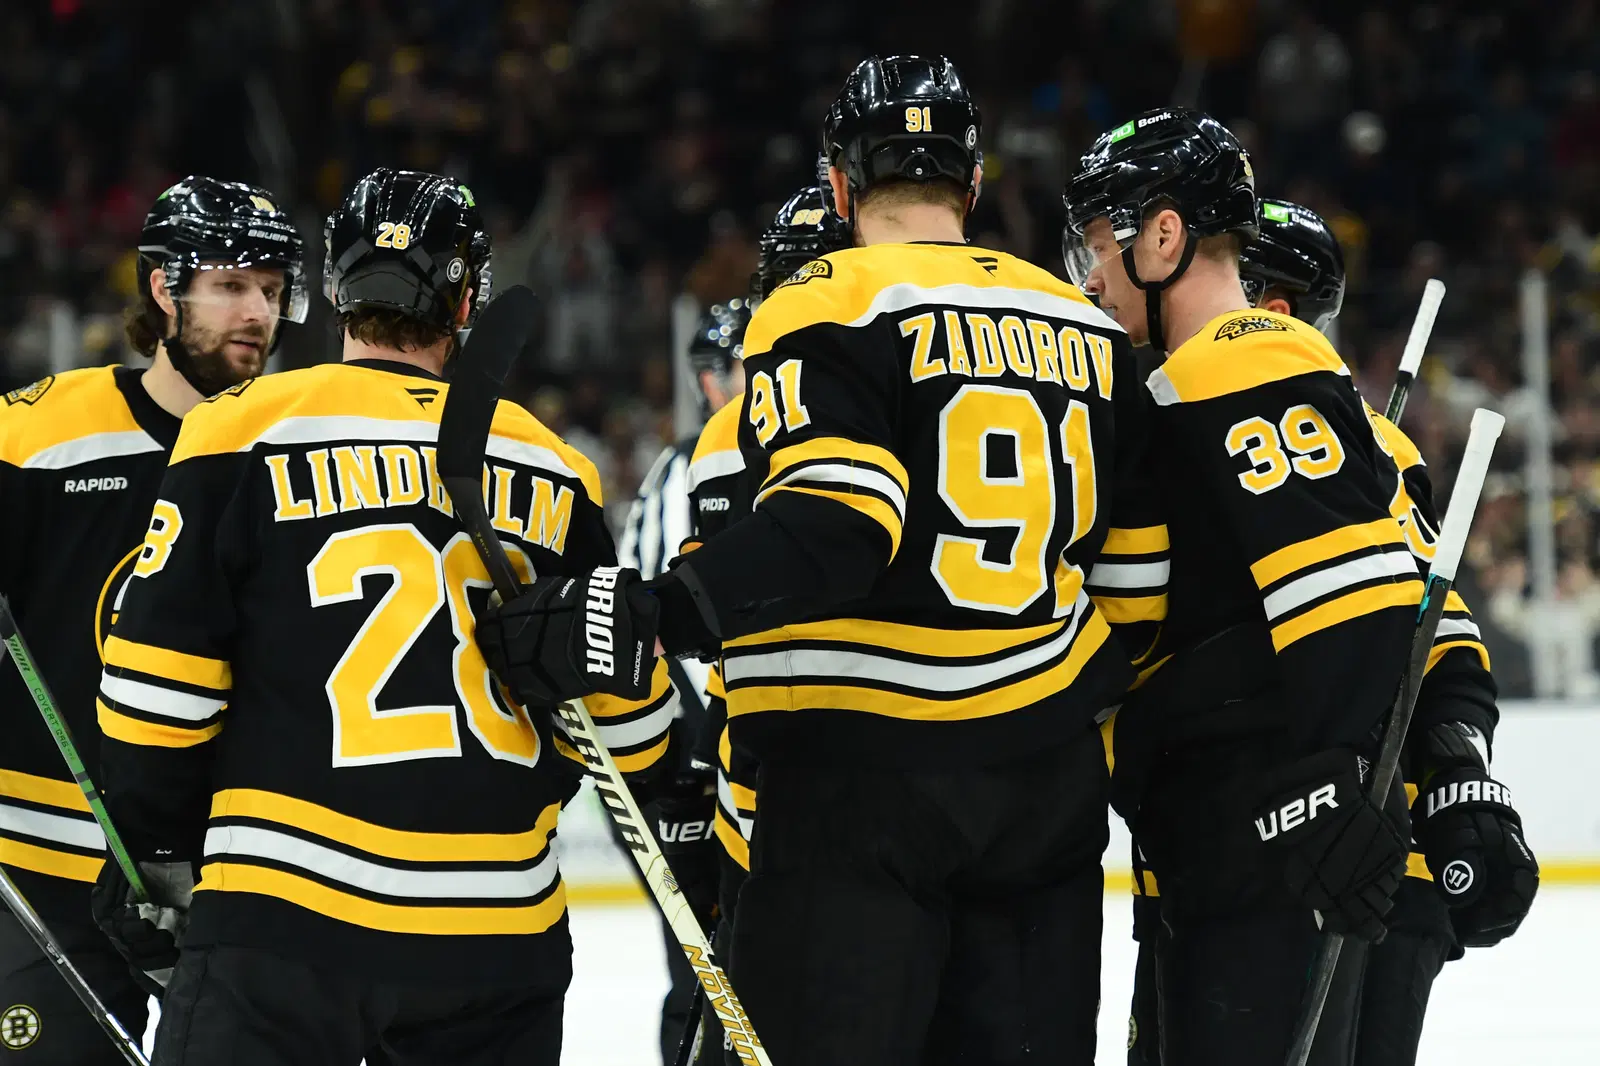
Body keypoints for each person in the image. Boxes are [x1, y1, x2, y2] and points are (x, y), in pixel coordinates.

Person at [478, 55, 1142, 1065]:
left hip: (857, 781)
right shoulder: (1083, 320)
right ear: (970, 184)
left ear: (839, 185)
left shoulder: (824, 298)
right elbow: (1138, 575)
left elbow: (839, 525)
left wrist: (645, 613)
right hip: (1044, 789)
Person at [93, 167, 677, 1066]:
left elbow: (156, 694)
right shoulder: (555, 465)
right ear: (467, 300)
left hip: (285, 919)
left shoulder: (242, 428)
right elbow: (630, 726)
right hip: (496, 936)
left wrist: (154, 849)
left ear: (334, 290)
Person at [1064, 110, 1416, 1065]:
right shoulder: (1183, 378)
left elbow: (1355, 593)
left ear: (1164, 236)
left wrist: (1328, 786)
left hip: (1266, 842)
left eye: (1099, 243)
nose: (1090, 276)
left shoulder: (1246, 359)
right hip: (1216, 836)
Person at [0, 175, 303, 1064]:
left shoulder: (294, 448)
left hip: (240, 880)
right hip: (51, 867)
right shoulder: (41, 437)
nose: (258, 312)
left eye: (273, 290)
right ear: (164, 288)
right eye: (232, 285)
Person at [619, 294, 752, 1064]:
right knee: (708, 969)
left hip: (723, 750)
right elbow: (680, 630)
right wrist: (702, 753)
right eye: (738, 366)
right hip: (690, 760)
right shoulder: (693, 467)